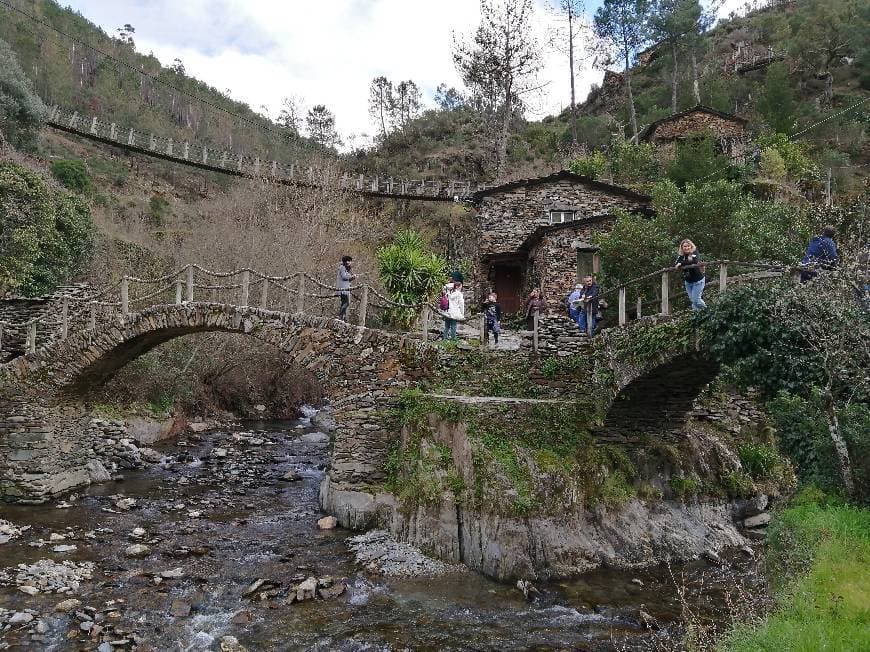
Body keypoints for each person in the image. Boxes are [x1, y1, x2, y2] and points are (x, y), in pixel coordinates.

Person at [675, 239, 706, 311]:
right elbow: (676, 264)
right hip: (688, 282)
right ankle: (698, 318)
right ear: (682, 248)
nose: (687, 248)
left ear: (691, 246)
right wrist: (681, 263)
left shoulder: (694, 252)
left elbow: (693, 261)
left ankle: (708, 312)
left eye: (688, 246)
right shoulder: (681, 256)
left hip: (698, 280)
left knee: (696, 300)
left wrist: (682, 263)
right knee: (693, 302)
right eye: (684, 246)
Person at [441, 271, 465, 340]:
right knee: (454, 326)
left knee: (447, 326)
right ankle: (453, 339)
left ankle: (444, 338)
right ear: (458, 286)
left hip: (447, 312)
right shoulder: (459, 294)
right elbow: (461, 305)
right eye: (461, 286)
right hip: (455, 312)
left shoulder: (448, 293)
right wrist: (462, 314)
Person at [335, 255, 356, 320]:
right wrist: (352, 277)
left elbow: (348, 278)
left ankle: (341, 317)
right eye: (349, 261)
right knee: (346, 303)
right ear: (346, 261)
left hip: (345, 289)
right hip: (343, 289)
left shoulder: (346, 269)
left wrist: (352, 277)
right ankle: (340, 316)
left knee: (344, 302)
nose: (350, 263)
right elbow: (344, 277)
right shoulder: (342, 267)